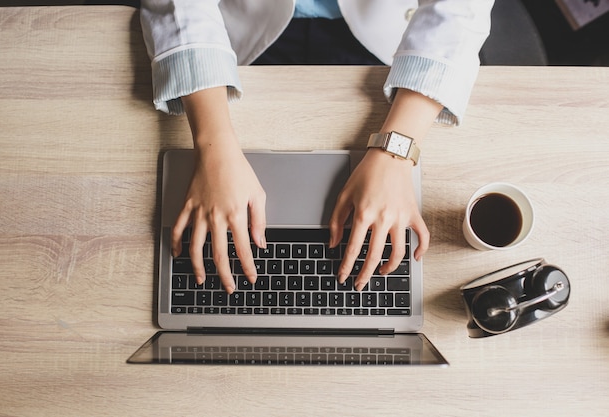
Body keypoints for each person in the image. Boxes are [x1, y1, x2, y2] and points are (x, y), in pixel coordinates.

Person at [140, 0, 494, 294]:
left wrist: (395, 154)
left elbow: (460, 9)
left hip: (391, 38)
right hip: (234, 33)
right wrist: (213, 148)